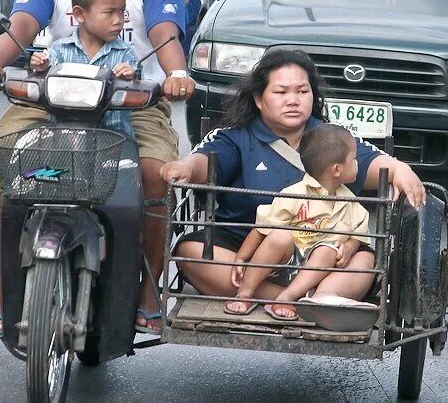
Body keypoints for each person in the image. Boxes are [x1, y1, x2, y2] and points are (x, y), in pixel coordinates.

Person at [0, 0, 194, 337]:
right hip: (54, 97)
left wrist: (174, 73)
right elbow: (24, 24)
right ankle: (3, 279)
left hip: (135, 101)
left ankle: (148, 289)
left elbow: (163, 30)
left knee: (156, 173)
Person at [160, 49, 425, 307]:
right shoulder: (236, 137)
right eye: (281, 92)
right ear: (259, 99)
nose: (293, 100)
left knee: (364, 262)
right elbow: (205, 159)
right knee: (190, 251)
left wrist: (399, 169)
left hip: (326, 252)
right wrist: (184, 167)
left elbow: (371, 162)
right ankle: (302, 301)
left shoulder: (332, 137)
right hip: (249, 247)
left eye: (302, 91)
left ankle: (309, 297)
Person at [225, 123, 372, 320]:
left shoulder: (351, 203)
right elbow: (262, 228)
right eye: (354, 160)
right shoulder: (294, 194)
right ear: (337, 169)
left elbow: (357, 235)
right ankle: (245, 292)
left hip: (318, 272)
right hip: (285, 264)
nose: (357, 164)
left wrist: (350, 247)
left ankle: (287, 298)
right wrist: (241, 258)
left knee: (328, 250)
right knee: (279, 236)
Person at [29, 0, 137, 134]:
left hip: (114, 140)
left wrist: (130, 77)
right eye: (110, 12)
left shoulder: (125, 53)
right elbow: (45, 75)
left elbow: (138, 83)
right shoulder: (60, 49)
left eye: (122, 12)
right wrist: (41, 67)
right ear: (79, 14)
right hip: (63, 139)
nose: (119, 20)